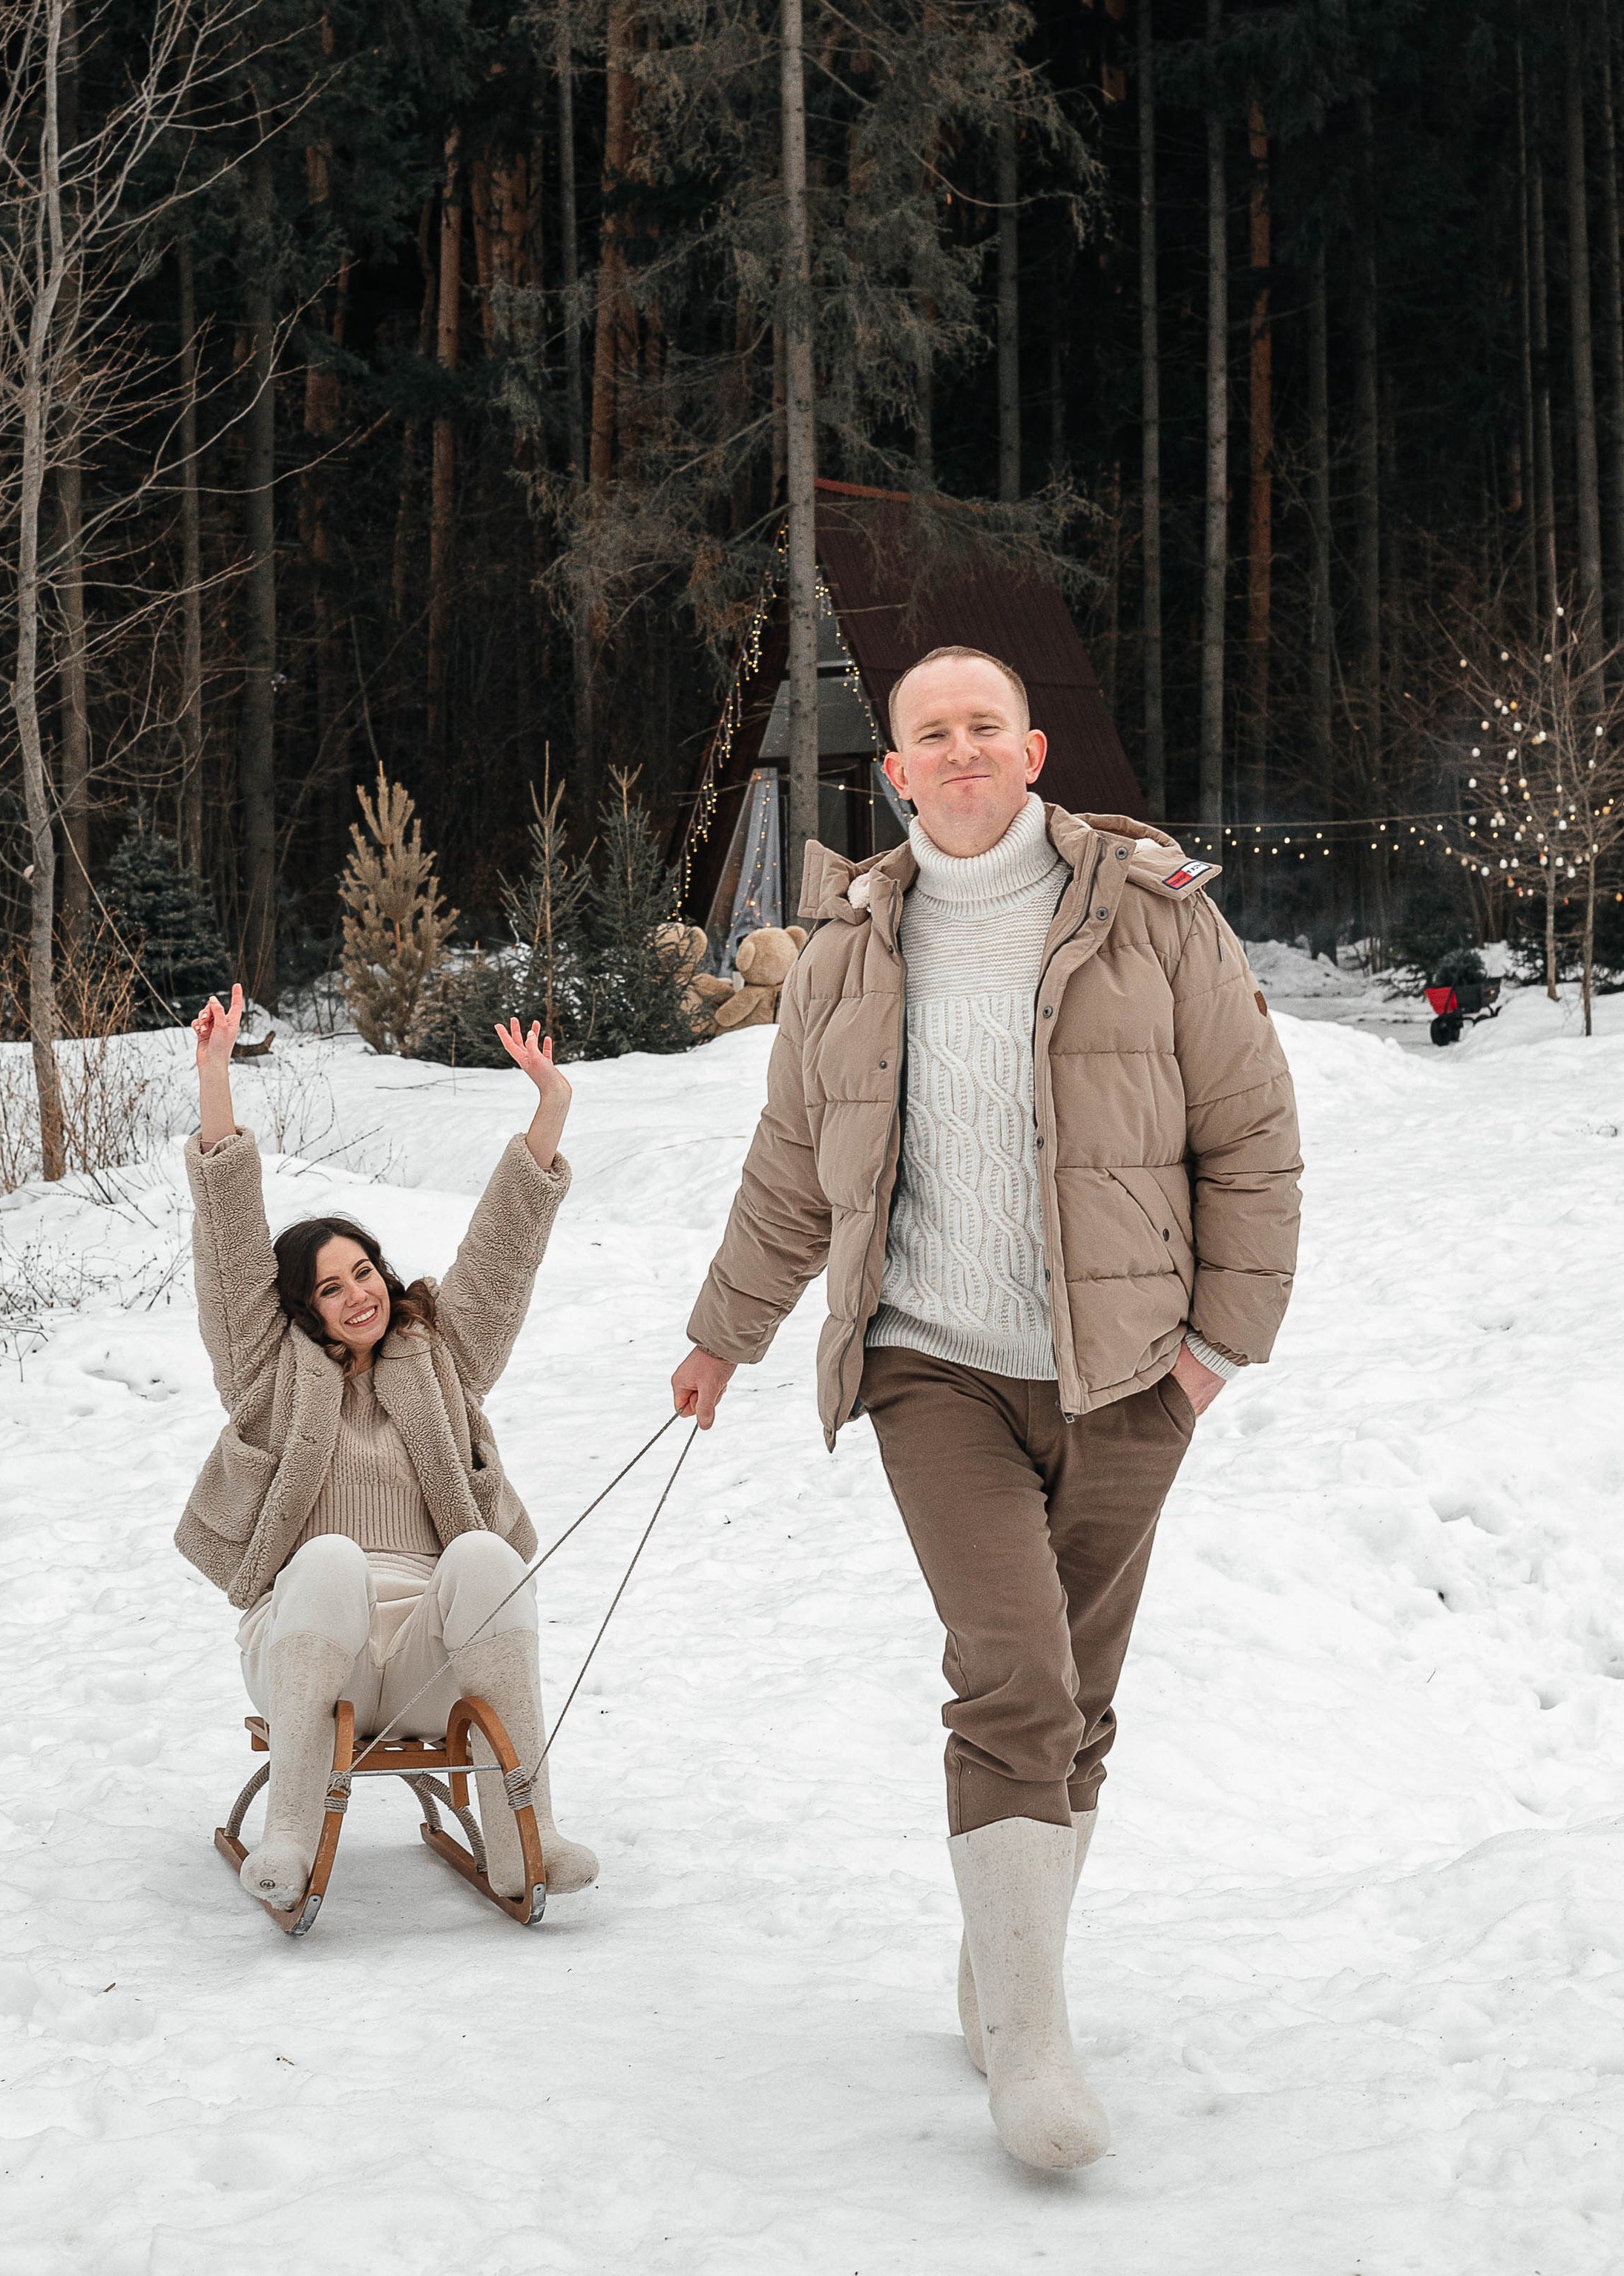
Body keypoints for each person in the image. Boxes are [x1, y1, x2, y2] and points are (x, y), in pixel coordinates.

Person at [671, 645, 1300, 2170]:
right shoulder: (842, 947)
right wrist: (721, 1336)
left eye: (981, 729)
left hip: (1124, 1376)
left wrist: (1217, 1348)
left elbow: (1251, 1131)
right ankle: (1033, 2049)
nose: (955, 755)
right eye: (926, 737)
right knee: (1012, 1678)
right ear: (892, 774)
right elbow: (784, 1174)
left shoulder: (1149, 919)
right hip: (928, 1366)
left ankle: (1000, 1966)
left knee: (1077, 1700)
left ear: (1029, 755)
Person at [180, 984, 596, 1912]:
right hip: (305, 1642)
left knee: (487, 1555)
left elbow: (499, 1255)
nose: (357, 1295)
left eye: (363, 1271)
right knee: (327, 1556)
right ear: (301, 1308)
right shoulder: (265, 1368)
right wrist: (216, 1079)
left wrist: (550, 1110)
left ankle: (524, 1834)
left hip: (421, 1657)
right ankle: (289, 1835)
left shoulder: (439, 1353)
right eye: (330, 1289)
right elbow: (230, 1245)